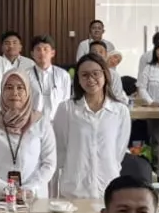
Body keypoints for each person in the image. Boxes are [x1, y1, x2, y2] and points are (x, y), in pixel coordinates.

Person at [53, 54, 131, 201]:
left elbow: (118, 152)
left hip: (108, 189)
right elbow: (59, 150)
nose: (90, 79)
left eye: (96, 73)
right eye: (84, 75)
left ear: (105, 75)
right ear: (78, 79)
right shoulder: (67, 109)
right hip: (74, 191)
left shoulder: (120, 111)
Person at [0, 70, 57, 202]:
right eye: (9, 87)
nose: (14, 93)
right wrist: (7, 189)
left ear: (28, 92)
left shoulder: (41, 123)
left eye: (20, 88)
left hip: (35, 198)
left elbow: (49, 164)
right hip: (0, 198)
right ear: (2, 92)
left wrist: (29, 189)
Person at [27, 35, 72, 117]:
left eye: (45, 49)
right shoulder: (25, 75)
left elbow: (66, 101)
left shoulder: (63, 75)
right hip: (33, 121)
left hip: (57, 120)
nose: (42, 53)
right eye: (38, 49)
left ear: (52, 53)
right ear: (32, 54)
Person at [83, 40, 130, 106]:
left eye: (101, 52)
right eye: (94, 52)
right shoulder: (82, 73)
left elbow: (118, 97)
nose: (97, 54)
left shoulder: (113, 75)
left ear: (105, 55)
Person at [136, 36, 159, 105]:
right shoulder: (148, 68)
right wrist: (151, 102)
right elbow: (142, 88)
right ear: (155, 51)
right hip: (153, 107)